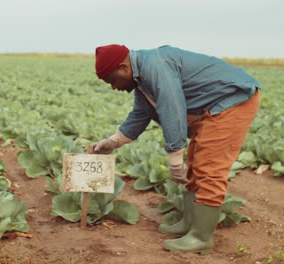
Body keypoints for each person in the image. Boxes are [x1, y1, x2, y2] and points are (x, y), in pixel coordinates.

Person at [87, 44, 261, 254]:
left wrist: (174, 155)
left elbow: (172, 107)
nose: (113, 87)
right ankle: (190, 223)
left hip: (231, 103)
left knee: (209, 168)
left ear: (124, 68)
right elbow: (141, 113)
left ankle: (201, 237)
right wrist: (114, 141)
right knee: (195, 165)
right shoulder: (142, 78)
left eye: (111, 80)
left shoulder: (155, 66)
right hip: (211, 108)